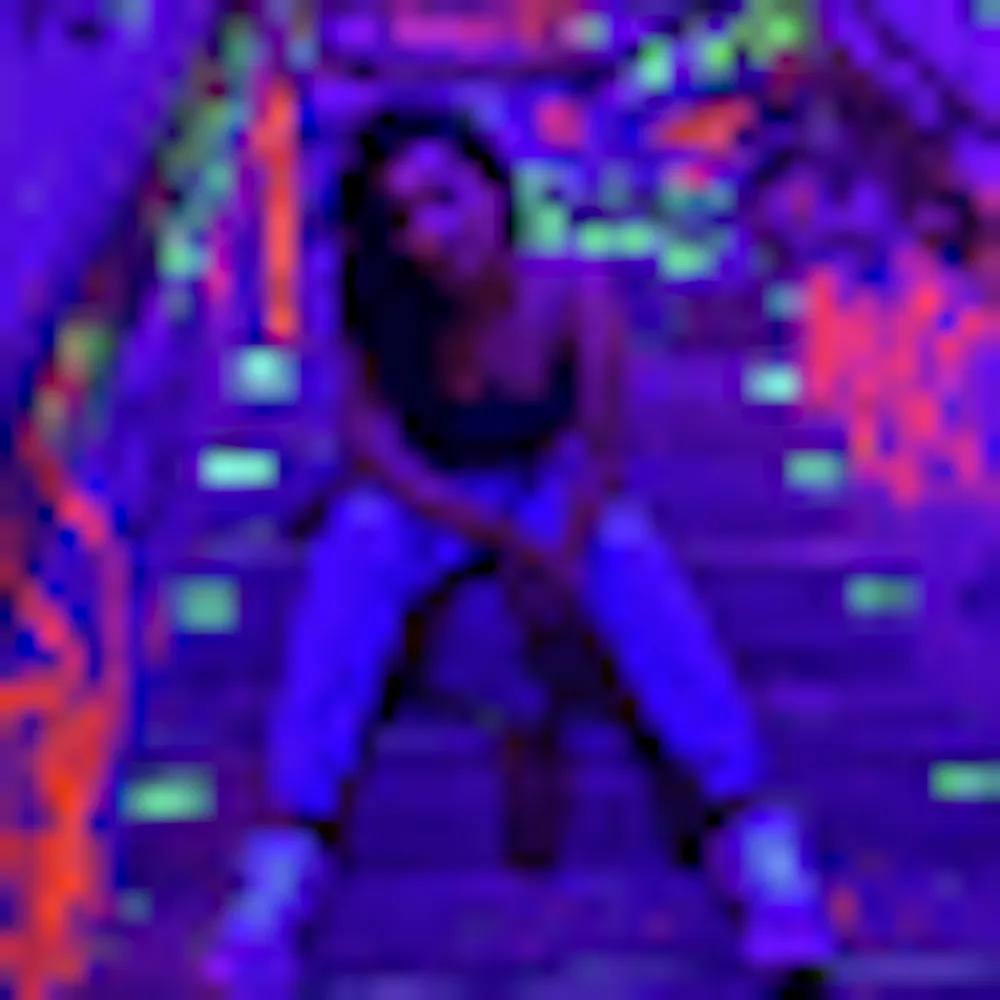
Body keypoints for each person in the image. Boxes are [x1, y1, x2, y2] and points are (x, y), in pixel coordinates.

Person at [202, 103, 833, 995]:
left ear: (495, 192)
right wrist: (495, 536)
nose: (432, 235)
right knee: (359, 536)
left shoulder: (571, 292)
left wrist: (558, 546)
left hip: (543, 483)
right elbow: (372, 444)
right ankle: (284, 862)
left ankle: (754, 834)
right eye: (404, 217)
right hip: (436, 499)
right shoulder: (391, 305)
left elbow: (601, 448)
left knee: (623, 545)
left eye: (446, 200)